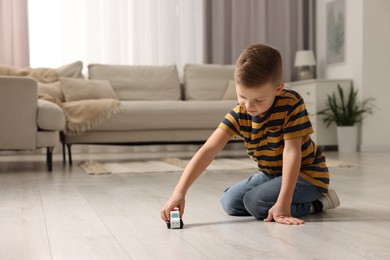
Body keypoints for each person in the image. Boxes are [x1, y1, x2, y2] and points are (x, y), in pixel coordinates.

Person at [160, 43, 340, 225]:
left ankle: (317, 203)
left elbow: (292, 152)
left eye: (259, 99)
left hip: (307, 175)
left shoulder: (291, 104)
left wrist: (284, 204)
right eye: (242, 96)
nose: (249, 106)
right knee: (229, 202)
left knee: (255, 203)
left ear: (278, 89)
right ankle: (274, 198)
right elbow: (208, 150)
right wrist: (179, 192)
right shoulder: (239, 114)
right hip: (272, 174)